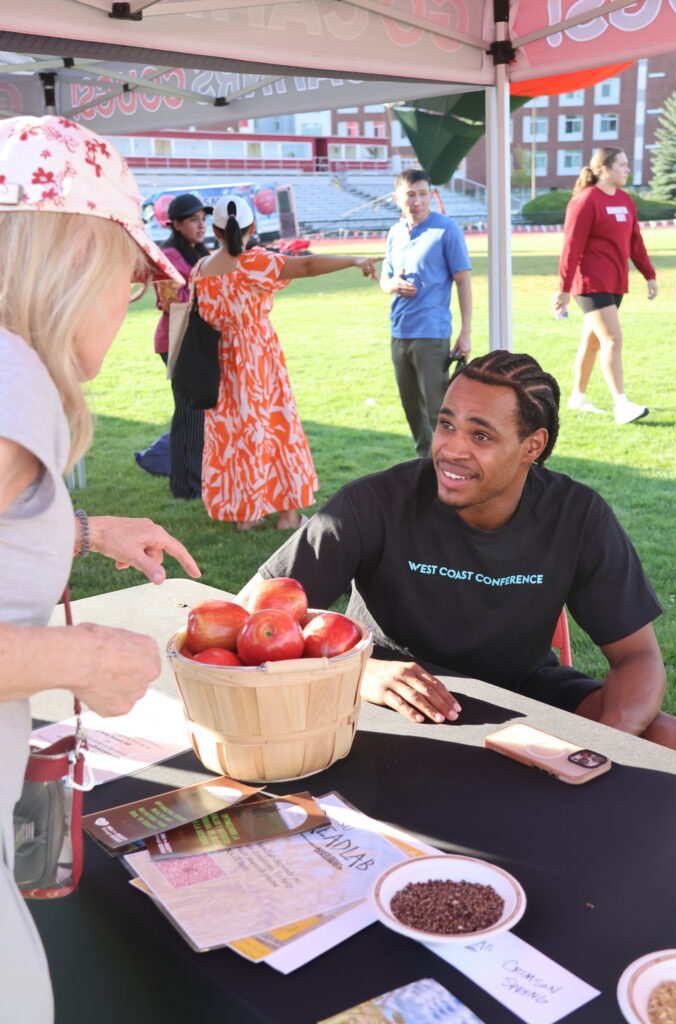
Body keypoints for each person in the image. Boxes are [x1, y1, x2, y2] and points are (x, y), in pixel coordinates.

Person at [0, 115, 202, 1023]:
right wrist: (78, 662)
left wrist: (75, 528)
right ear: (77, 254)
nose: (129, 306)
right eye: (129, 280)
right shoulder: (12, 378)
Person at [243, 350, 676, 753]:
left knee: (666, 737)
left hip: (520, 691)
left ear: (533, 445)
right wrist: (356, 672)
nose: (452, 449)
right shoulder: (374, 503)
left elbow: (636, 657)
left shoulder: (577, 515)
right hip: (394, 691)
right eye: (446, 424)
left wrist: (610, 747)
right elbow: (252, 613)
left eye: (481, 436)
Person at [195, 194, 381, 531]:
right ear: (253, 226)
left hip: (219, 362)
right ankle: (288, 515)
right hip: (256, 357)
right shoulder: (254, 263)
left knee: (234, 436)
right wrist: (355, 259)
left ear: (215, 229)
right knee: (277, 429)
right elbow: (307, 265)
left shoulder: (201, 269)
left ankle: (246, 515)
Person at [552, 147, 657, 425]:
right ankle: (621, 404)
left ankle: (578, 396)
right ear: (604, 169)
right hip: (589, 283)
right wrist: (563, 288)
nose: (627, 169)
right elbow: (571, 247)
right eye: (622, 164)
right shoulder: (584, 201)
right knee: (612, 339)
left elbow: (635, 241)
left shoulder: (626, 200)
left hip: (615, 282)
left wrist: (649, 274)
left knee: (593, 342)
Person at [380, 168, 472, 457]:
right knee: (412, 411)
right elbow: (385, 280)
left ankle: (450, 471)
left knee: (437, 412)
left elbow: (463, 281)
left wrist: (465, 333)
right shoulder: (394, 233)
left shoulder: (446, 229)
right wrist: (392, 285)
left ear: (431, 195)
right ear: (397, 198)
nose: (417, 200)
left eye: (423, 194)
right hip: (399, 332)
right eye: (410, 194)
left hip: (432, 333)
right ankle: (425, 469)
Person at [152, 192, 212, 498]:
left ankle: (194, 478)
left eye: (203, 219)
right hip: (178, 341)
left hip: (196, 340)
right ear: (175, 224)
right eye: (193, 220)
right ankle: (186, 486)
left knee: (197, 412)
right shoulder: (168, 257)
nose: (201, 226)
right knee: (190, 413)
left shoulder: (199, 250)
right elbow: (169, 302)